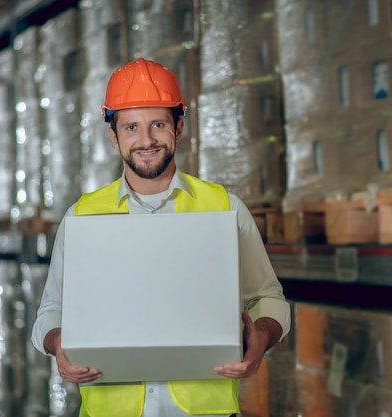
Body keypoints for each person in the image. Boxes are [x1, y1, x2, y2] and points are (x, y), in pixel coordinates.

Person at [31, 57, 291, 417]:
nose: (146, 140)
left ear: (179, 128)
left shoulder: (223, 207)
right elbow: (51, 311)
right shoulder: (82, 215)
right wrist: (57, 342)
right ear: (113, 135)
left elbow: (269, 298)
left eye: (158, 124)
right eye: (132, 127)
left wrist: (260, 337)